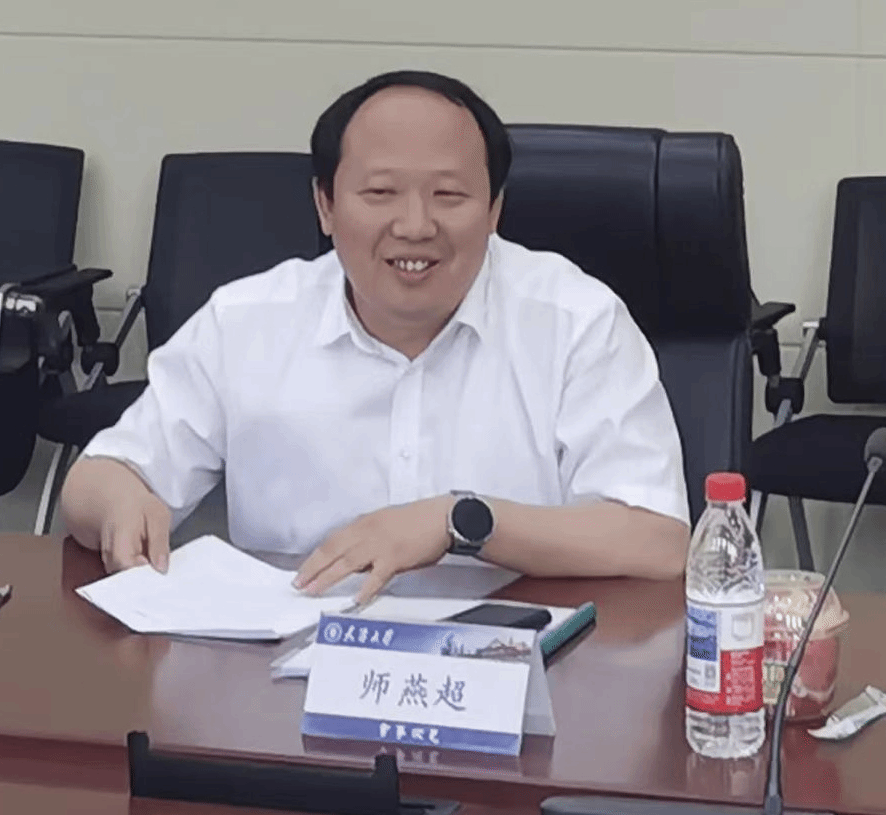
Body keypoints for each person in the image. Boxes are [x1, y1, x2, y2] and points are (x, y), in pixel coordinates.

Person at [60, 70, 690, 603]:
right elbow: (96, 481)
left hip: (519, 672)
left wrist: (459, 521)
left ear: (494, 209)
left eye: (448, 195)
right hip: (287, 675)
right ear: (326, 205)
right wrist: (119, 501)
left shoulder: (576, 321)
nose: (415, 226)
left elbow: (658, 541)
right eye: (381, 193)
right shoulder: (247, 321)